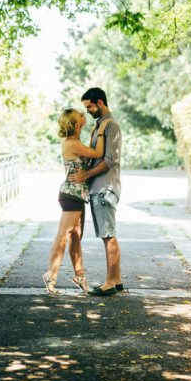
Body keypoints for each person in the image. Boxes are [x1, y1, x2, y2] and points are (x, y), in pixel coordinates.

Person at [42, 108, 111, 295]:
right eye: (81, 115)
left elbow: (89, 152)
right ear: (76, 122)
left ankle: (79, 276)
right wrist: (103, 130)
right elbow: (98, 153)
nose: (84, 116)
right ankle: (51, 274)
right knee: (63, 235)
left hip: (78, 195)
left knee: (75, 237)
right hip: (71, 195)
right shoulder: (72, 143)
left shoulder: (75, 142)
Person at [69, 87, 123, 297]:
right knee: (107, 234)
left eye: (90, 106)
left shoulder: (111, 126)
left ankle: (110, 282)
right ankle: (116, 280)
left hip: (104, 188)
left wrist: (86, 175)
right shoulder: (100, 126)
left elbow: (110, 160)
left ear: (100, 102)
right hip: (98, 187)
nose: (88, 110)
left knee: (108, 235)